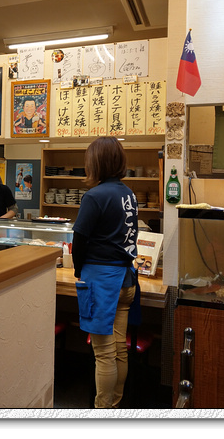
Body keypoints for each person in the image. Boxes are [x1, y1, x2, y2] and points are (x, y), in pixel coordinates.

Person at [71, 136, 139, 409]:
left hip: (102, 283)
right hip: (126, 279)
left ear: (96, 163)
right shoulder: (129, 194)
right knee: (119, 349)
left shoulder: (94, 196)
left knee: (104, 353)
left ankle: (102, 409)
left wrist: (78, 270)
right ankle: (116, 404)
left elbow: (79, 241)